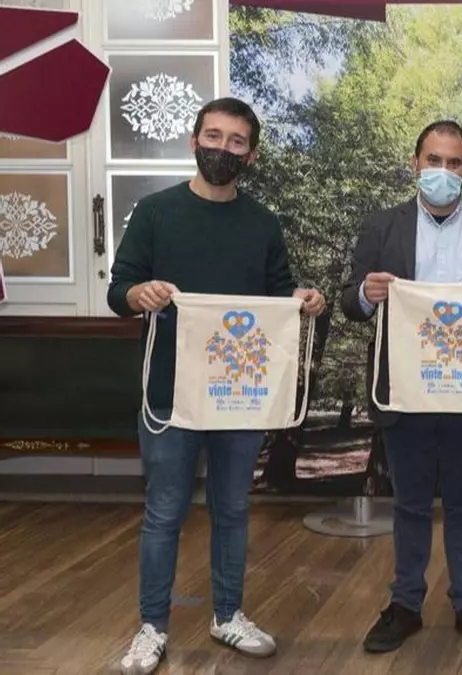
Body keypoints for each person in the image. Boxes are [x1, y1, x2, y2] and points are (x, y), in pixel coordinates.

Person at [108, 97, 326, 675]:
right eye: (213, 136)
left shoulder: (262, 224)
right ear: (193, 141)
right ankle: (152, 627)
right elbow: (118, 291)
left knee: (232, 508)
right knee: (164, 512)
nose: (222, 148)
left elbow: (277, 294)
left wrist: (302, 300)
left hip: (239, 393)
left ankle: (228, 615)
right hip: (169, 394)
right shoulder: (155, 213)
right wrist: (139, 294)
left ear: (250, 155)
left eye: (235, 141)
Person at [341, 120, 462, 655]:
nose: (443, 171)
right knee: (410, 505)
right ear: (415, 163)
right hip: (406, 392)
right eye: (433, 160)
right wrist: (366, 293)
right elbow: (350, 303)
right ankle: (405, 605)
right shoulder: (382, 227)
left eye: (454, 163)